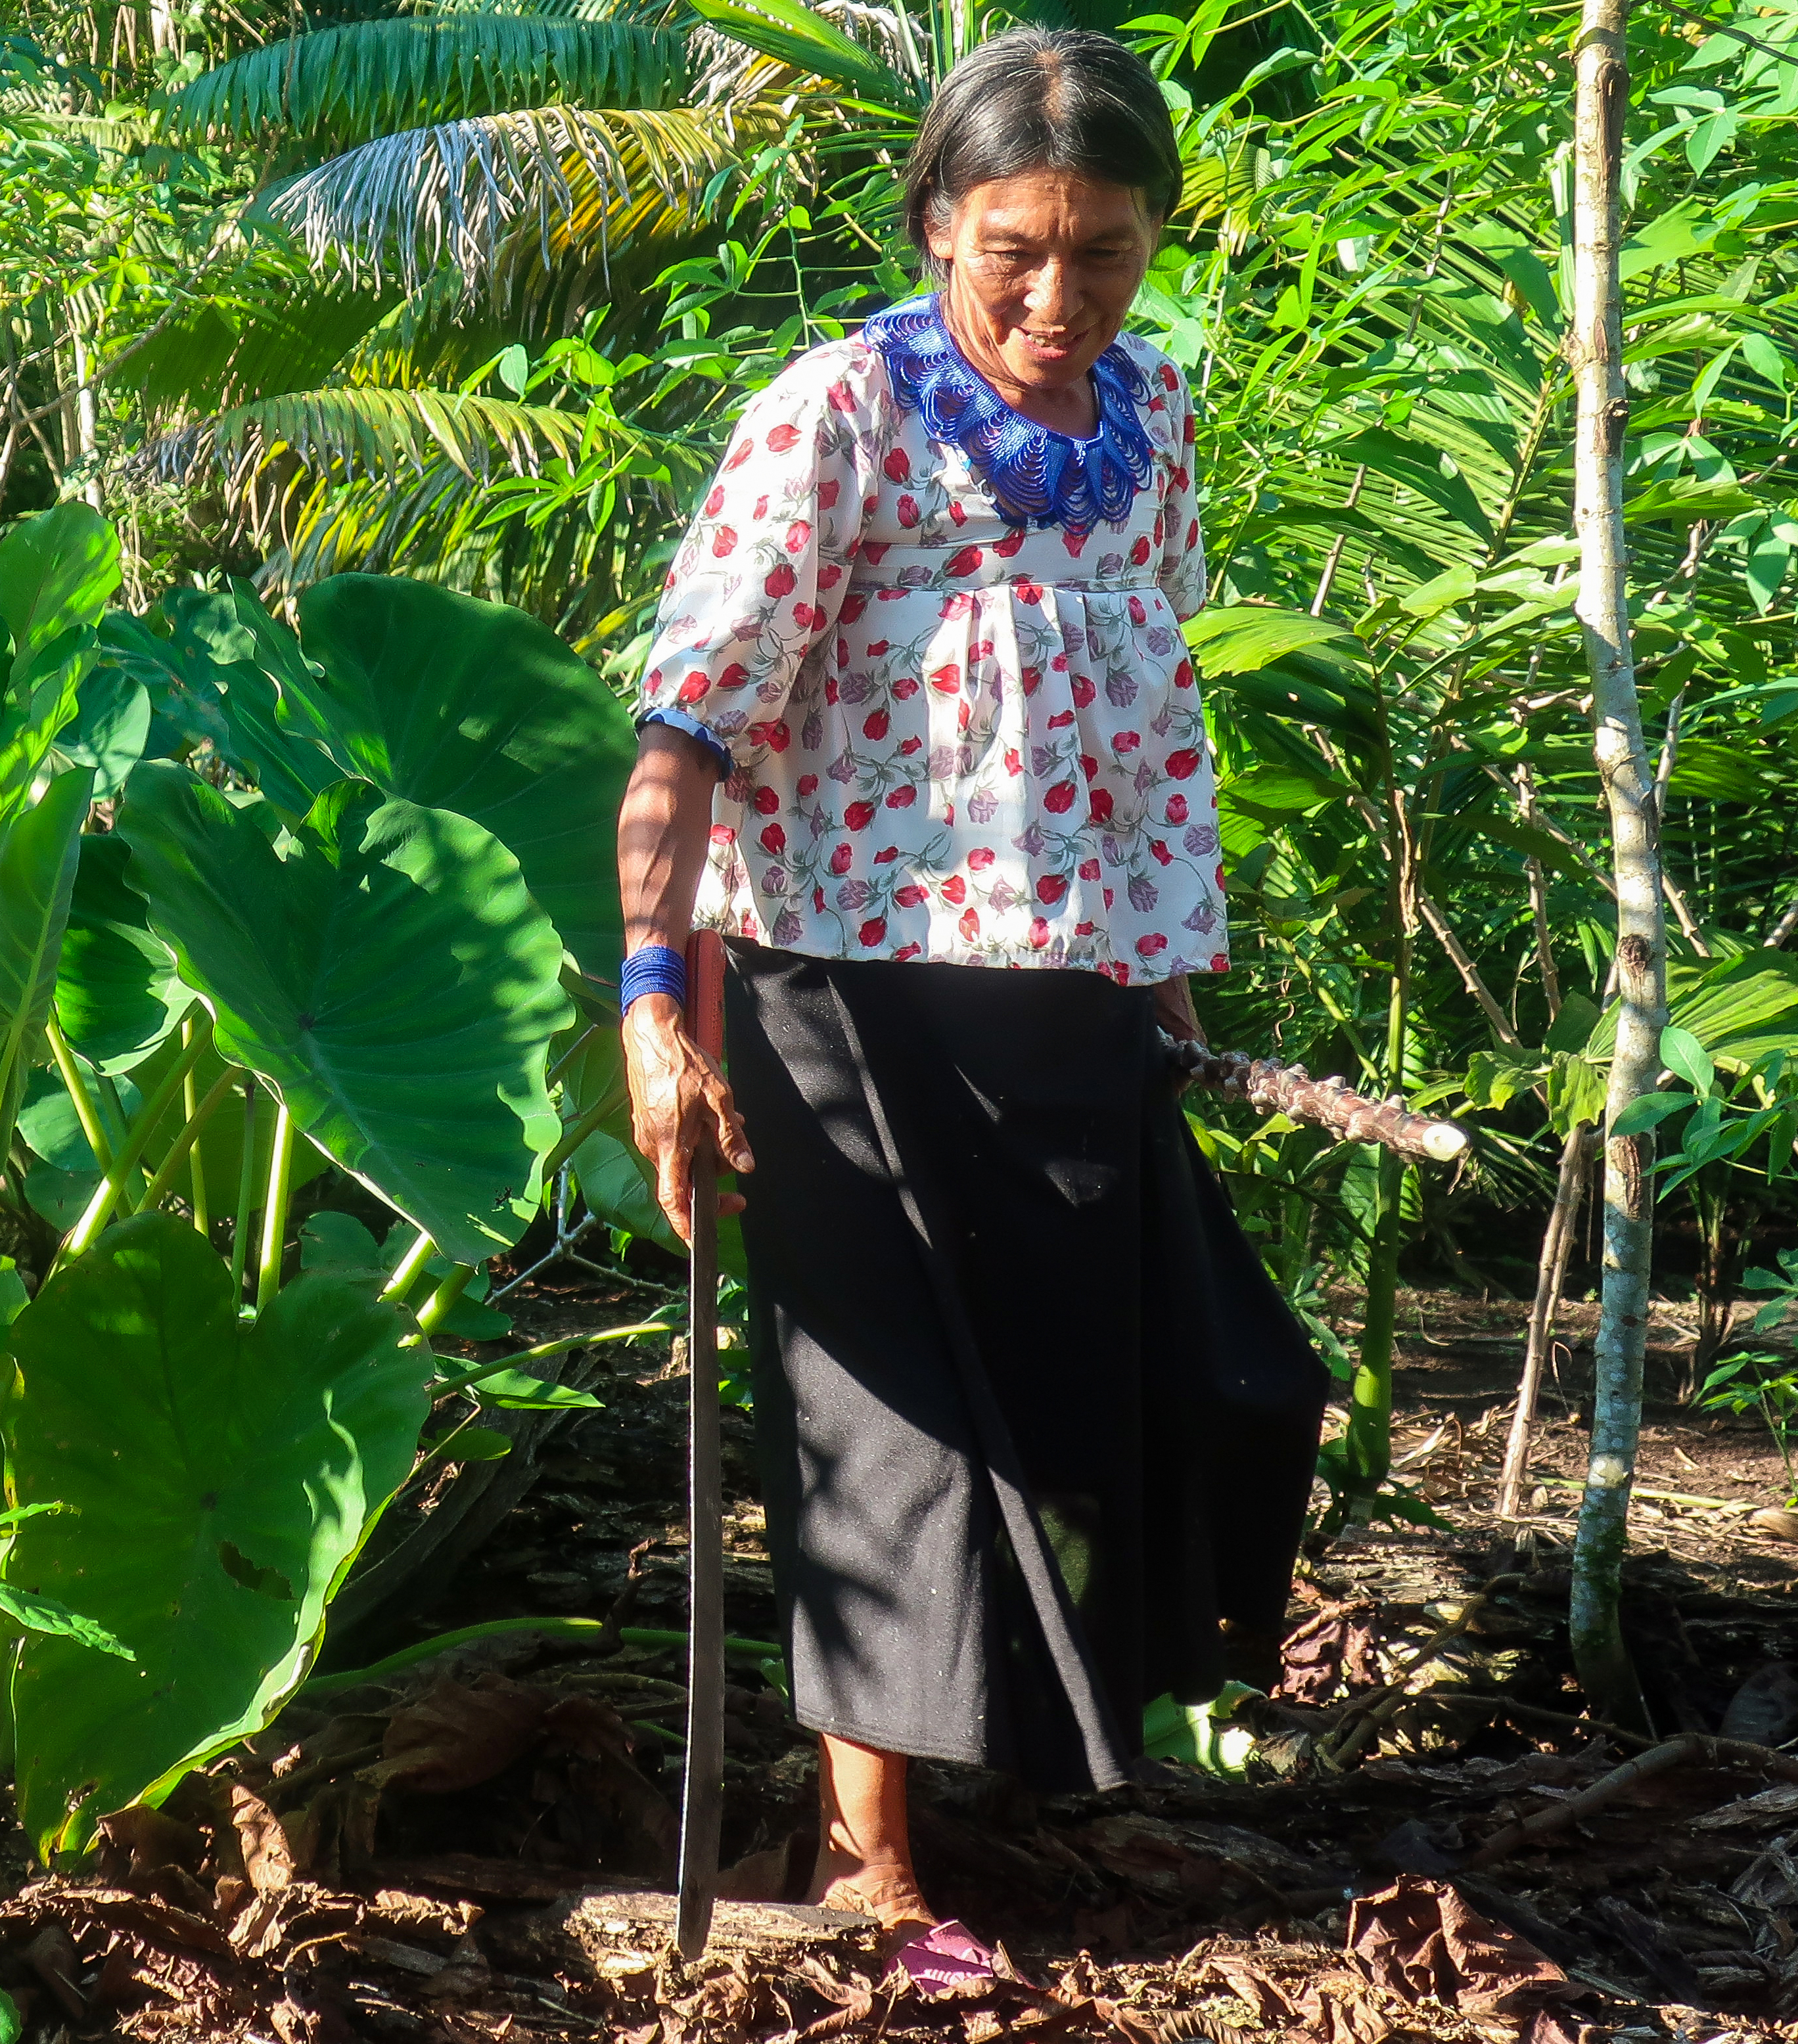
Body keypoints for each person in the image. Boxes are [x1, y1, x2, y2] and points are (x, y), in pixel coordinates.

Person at [614, 27, 1324, 1931]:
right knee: (899, 1448)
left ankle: (1041, 1780)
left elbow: (1144, 696)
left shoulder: (1151, 411)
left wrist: (1165, 969)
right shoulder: (834, 414)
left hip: (1069, 989)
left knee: (1185, 1386)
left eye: (1102, 249)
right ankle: (880, 1872)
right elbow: (687, 731)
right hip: (838, 1001)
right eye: (1012, 243)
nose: (1053, 292)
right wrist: (650, 1012)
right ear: (937, 224)